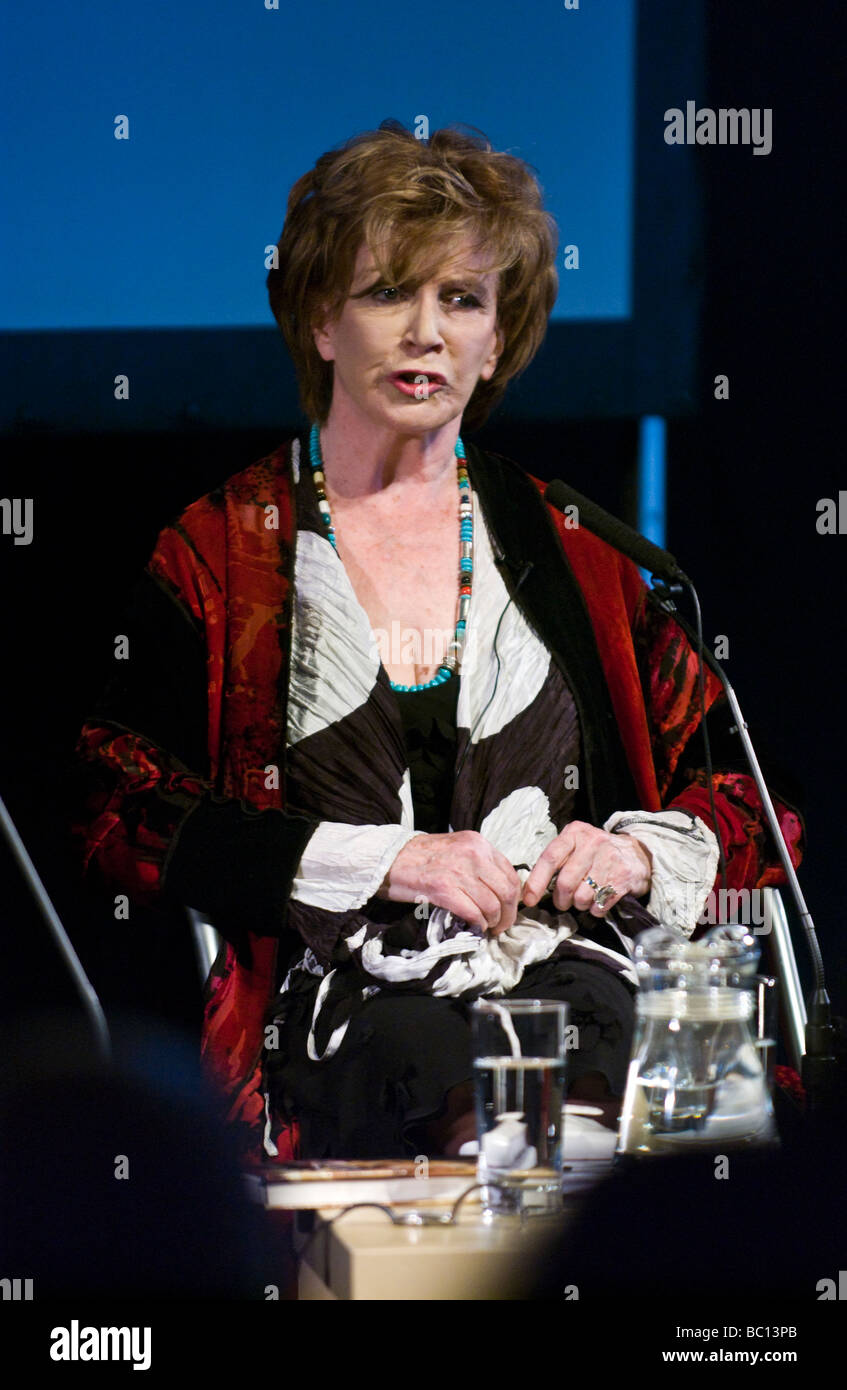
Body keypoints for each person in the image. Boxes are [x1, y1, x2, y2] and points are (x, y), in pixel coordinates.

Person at [72, 122, 803, 1163]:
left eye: (460, 300)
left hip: (575, 979)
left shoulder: (579, 553)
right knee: (455, 1070)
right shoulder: (221, 551)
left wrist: (633, 847)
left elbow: (750, 808)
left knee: (620, 1060)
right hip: (340, 1006)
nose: (425, 331)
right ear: (321, 322)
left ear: (497, 339)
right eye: (387, 294)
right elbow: (116, 805)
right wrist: (390, 862)